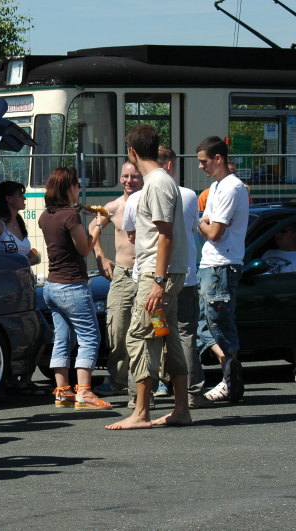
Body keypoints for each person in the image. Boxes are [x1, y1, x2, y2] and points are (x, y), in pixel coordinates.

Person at [106, 124, 191, 430]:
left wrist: (157, 281)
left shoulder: (156, 183)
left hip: (157, 276)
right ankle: (181, 409)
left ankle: (141, 412)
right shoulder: (162, 181)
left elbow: (165, 235)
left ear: (132, 152)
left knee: (139, 336)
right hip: (163, 273)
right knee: (165, 336)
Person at [38, 167, 112, 410]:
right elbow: (84, 249)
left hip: (52, 286)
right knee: (90, 336)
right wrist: (98, 225)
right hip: (72, 286)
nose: (79, 188)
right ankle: (85, 392)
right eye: (76, 185)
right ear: (68, 187)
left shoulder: (46, 216)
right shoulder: (70, 215)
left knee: (63, 338)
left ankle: (62, 391)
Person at [157, 146, 212, 409]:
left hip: (154, 277)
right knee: (186, 333)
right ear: (170, 165)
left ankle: (148, 392)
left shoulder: (142, 195)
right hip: (185, 276)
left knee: (155, 331)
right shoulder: (189, 195)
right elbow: (193, 228)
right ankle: (192, 392)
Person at [196, 136, 250, 404]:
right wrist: (204, 222)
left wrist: (198, 222)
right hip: (211, 264)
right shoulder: (216, 187)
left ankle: (229, 378)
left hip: (222, 265)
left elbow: (214, 231)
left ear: (218, 158)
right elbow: (208, 223)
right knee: (204, 323)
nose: (200, 166)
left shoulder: (231, 187)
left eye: (204, 161)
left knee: (219, 323)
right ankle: (229, 370)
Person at [90, 162, 143, 399]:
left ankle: (153, 380)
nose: (129, 181)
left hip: (147, 272)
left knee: (151, 328)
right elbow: (92, 229)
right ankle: (118, 379)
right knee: (117, 327)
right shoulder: (113, 207)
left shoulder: (149, 203)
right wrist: (100, 256)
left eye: (134, 176)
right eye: (125, 176)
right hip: (123, 274)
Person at [0, 180, 43, 395]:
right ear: (8, 199)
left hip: (25, 287)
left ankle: (24, 379)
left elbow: (29, 254)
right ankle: (10, 379)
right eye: (20, 195)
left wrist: (31, 258)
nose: (24, 198)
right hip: (4, 288)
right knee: (12, 330)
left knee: (38, 332)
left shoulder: (19, 222)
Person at [259, 223, 296, 383]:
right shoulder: (268, 253)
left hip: (285, 304)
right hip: (260, 299)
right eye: (276, 231)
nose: (278, 235)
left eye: (283, 231)